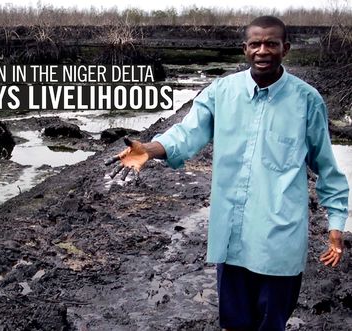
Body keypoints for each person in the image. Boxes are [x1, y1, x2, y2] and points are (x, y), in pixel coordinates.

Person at [105, 16, 349, 331]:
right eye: (256, 44)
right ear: (245, 49)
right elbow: (187, 133)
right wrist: (150, 150)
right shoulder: (221, 92)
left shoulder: (307, 101)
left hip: (280, 240)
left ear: (285, 49)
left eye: (271, 44)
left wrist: (336, 226)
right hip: (232, 238)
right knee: (234, 323)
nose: (263, 50)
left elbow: (327, 167)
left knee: (270, 323)